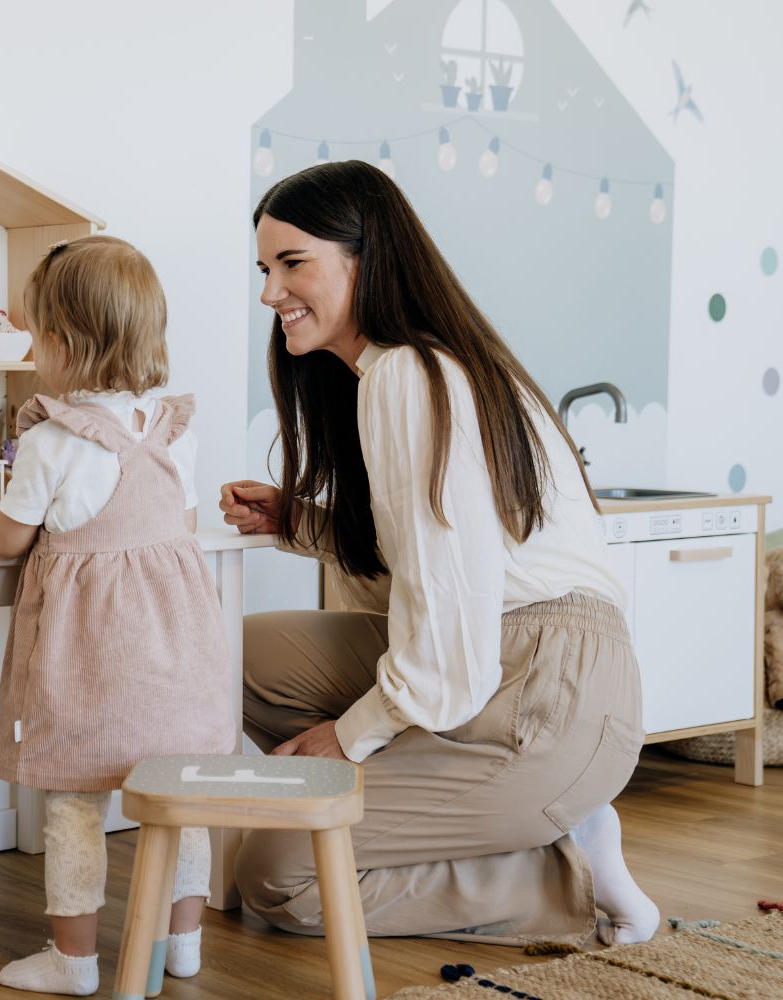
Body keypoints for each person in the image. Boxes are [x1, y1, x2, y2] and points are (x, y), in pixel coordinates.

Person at [220, 160, 659, 949]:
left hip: (549, 690)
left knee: (276, 875)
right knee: (230, 654)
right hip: (503, 658)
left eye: (292, 265)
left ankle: (566, 865)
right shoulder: (397, 375)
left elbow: (450, 628)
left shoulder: (412, 376)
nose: (269, 294)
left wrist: (350, 736)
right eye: (264, 268)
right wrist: (300, 520)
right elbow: (433, 566)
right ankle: (491, 818)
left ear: (366, 259)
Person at [0, 235, 235, 995]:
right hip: (179, 655)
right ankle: (183, 942)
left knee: (74, 803)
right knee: (183, 802)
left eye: (35, 332)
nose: (31, 347)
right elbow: (181, 529)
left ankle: (74, 962)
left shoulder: (52, 440)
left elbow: (7, 540)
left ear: (62, 344)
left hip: (89, 660)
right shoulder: (174, 433)